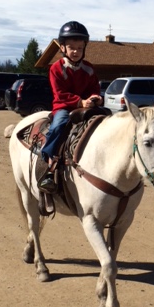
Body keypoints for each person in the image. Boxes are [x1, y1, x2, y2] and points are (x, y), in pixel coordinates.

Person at [38, 20, 103, 193]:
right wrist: (80, 102)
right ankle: (49, 167)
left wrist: (96, 98)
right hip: (64, 107)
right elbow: (59, 94)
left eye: (79, 48)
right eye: (72, 47)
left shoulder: (88, 69)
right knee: (59, 125)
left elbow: (94, 88)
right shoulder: (56, 69)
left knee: (107, 118)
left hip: (85, 107)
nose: (75, 51)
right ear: (63, 48)